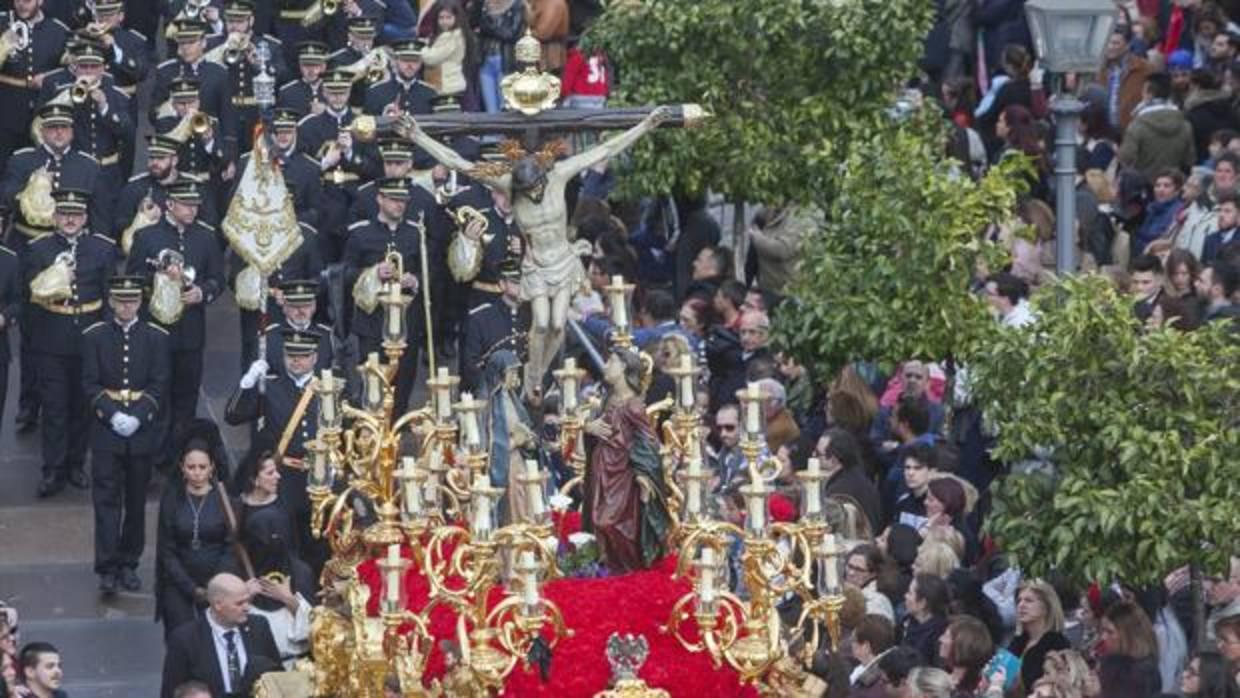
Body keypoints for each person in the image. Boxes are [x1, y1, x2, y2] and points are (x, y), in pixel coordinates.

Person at [25, 188, 118, 498]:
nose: (70, 220)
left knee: (82, 406)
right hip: (52, 340)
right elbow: (30, 303)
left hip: (89, 339)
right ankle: (53, 469)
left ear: (85, 218)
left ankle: (76, 463)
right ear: (55, 217)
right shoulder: (38, 249)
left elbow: (109, 298)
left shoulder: (101, 249)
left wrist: (106, 338)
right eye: (65, 214)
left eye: (76, 215)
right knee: (54, 408)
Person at [126, 180, 225, 463]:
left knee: (186, 396)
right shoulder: (147, 237)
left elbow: (218, 279)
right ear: (169, 204)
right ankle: (154, 456)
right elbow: (133, 279)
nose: (192, 210)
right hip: (157, 330)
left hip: (190, 331)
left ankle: (178, 456)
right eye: (186, 205)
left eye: (195, 205)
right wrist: (158, 280)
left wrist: (203, 292)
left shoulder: (206, 237)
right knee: (157, 393)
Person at [83, 276, 170, 594]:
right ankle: (106, 566)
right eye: (121, 301)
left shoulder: (156, 338)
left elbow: (160, 384)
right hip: (107, 430)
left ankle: (129, 562)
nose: (126, 307)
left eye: (132, 301)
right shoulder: (94, 337)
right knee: (105, 501)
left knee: (135, 502)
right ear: (111, 302)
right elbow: (89, 383)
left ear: (140, 303)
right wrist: (112, 413)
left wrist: (139, 415)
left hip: (141, 430)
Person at [226, 328, 324, 560]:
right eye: (291, 355)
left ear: (315, 357)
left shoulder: (329, 390)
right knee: (287, 544)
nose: (296, 360)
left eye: (302, 355)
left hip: (319, 477)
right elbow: (233, 416)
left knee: (319, 542)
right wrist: (247, 382)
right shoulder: (270, 387)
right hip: (284, 476)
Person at [583, 348, 670, 573]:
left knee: (613, 524)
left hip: (622, 474)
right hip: (601, 468)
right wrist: (588, 428)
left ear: (623, 367)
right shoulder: (607, 399)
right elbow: (596, 426)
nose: (605, 366)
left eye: (610, 361)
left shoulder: (633, 405)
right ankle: (607, 571)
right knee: (596, 522)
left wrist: (643, 475)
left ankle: (627, 570)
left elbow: (649, 441)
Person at [155, 439, 238, 638]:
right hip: (179, 582)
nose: (197, 472)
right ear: (182, 468)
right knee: (179, 635)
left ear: (212, 468)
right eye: (191, 467)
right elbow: (166, 549)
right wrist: (191, 588)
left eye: (202, 467)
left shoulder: (224, 499)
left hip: (217, 580)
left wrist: (214, 585)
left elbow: (231, 545)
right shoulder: (172, 499)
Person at [160, 573, 281, 698]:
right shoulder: (185, 639)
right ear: (218, 605)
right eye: (239, 603)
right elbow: (171, 692)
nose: (247, 608)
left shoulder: (259, 627)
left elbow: (277, 676)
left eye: (247, 600)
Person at [231, 506, 315, 669]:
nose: (267, 547)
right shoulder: (237, 573)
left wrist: (288, 599)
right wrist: (244, 598)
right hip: (253, 666)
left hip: (295, 666)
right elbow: (222, 624)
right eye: (260, 542)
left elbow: (314, 629)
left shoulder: (300, 573)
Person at [479, 349, 539, 525]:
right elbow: (488, 446)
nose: (515, 377)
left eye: (516, 372)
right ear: (499, 374)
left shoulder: (512, 398)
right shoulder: (488, 403)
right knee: (513, 507)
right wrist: (514, 442)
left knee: (525, 503)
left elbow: (525, 425)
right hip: (505, 466)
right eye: (511, 372)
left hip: (519, 462)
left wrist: (529, 441)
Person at [1119, 72, 1197, 179]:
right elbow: (1189, 160)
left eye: (1143, 91)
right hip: (1173, 184)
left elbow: (1126, 159)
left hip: (1143, 186)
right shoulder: (1185, 125)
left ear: (1149, 94)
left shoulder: (1137, 126)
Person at [1009, 579, 1072, 693]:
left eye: (1029, 601)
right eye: (1019, 601)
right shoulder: (1018, 641)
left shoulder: (1058, 644)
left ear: (1046, 607)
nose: (1021, 605)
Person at [901, 573, 950, 664]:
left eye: (910, 593)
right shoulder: (907, 621)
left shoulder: (938, 636)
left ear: (922, 603)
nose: (905, 596)